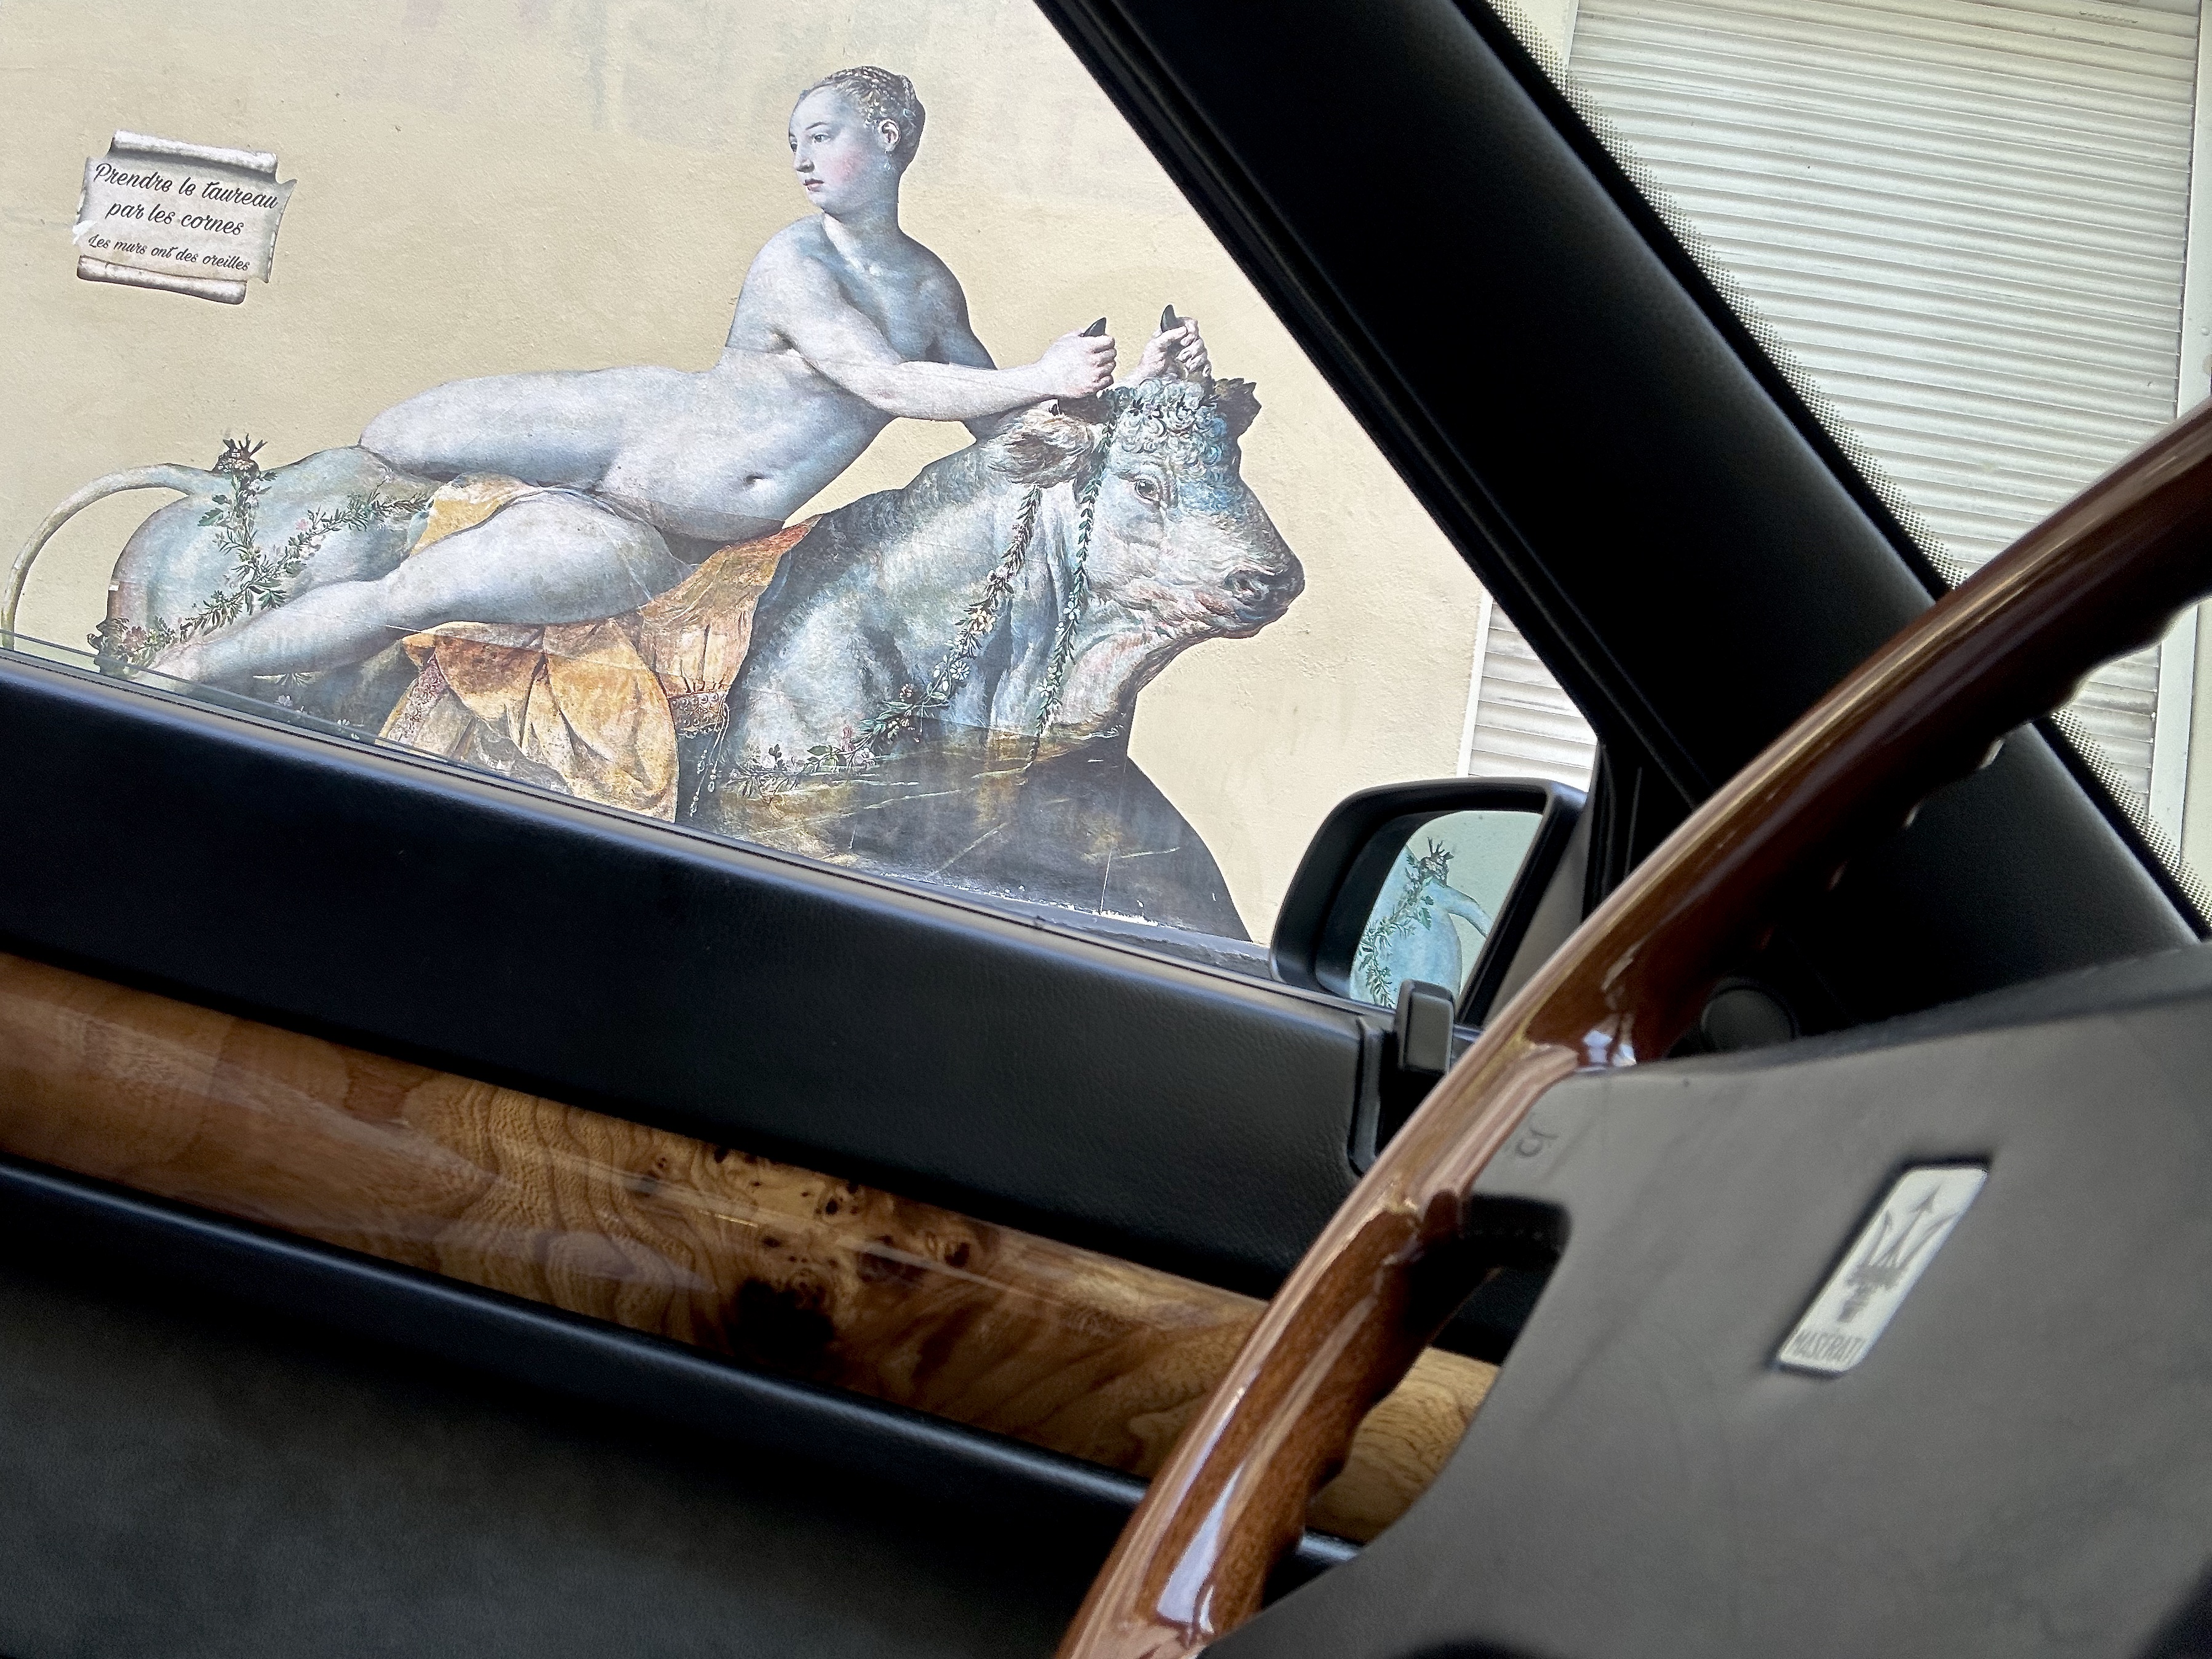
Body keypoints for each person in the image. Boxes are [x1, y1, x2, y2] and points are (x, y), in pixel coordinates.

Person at [153, 66, 1208, 685]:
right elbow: (884, 383)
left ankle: (190, 671)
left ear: (887, 139)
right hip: (642, 415)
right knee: (400, 434)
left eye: (822, 136)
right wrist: (1040, 372)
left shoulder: (932, 290)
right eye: (794, 142)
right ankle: (236, 559)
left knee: (411, 596)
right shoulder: (795, 258)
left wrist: (1133, 385)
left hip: (653, 532)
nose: (802, 159)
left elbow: (999, 429)